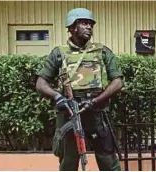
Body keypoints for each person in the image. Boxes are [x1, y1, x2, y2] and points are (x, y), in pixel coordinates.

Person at [35, 8, 123, 171]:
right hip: (70, 112)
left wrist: (95, 101)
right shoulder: (59, 53)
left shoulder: (102, 51)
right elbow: (41, 83)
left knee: (108, 161)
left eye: (90, 24)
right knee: (68, 162)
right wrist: (57, 97)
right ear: (72, 27)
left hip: (98, 112)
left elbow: (118, 82)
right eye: (84, 23)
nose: (89, 27)